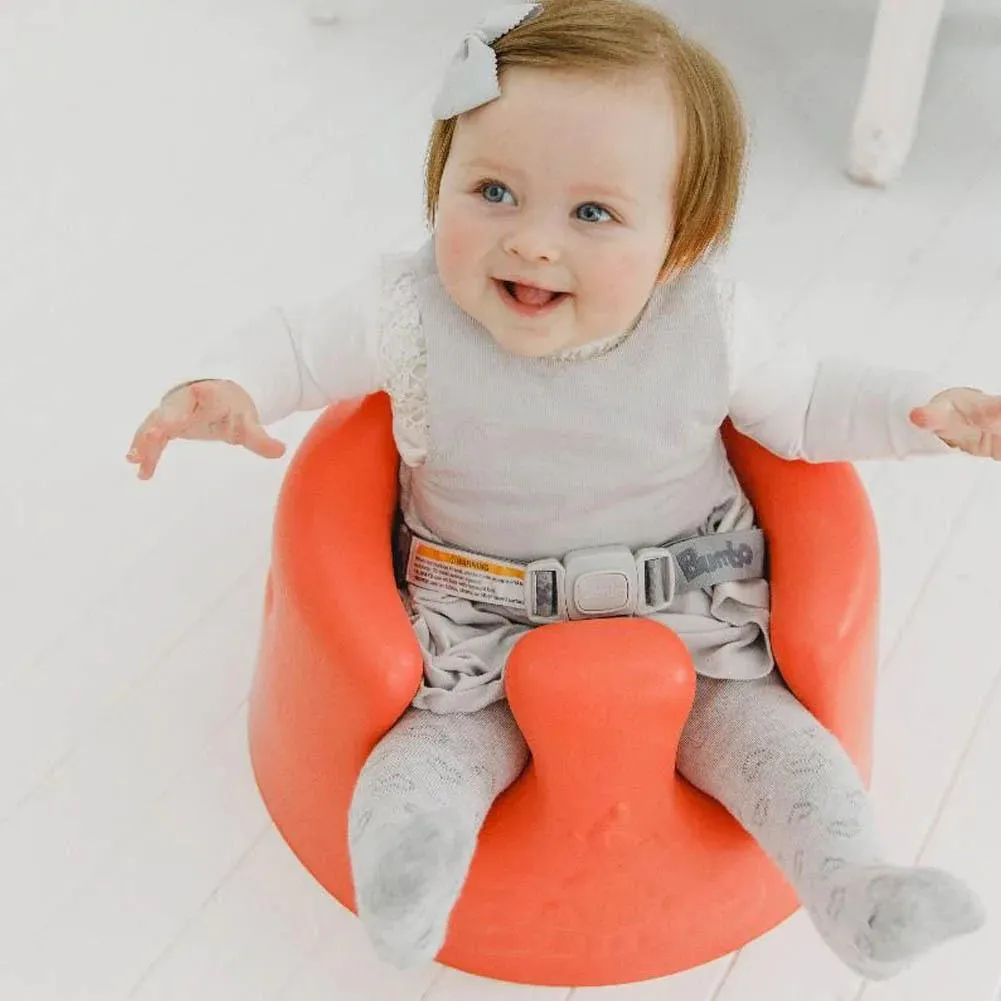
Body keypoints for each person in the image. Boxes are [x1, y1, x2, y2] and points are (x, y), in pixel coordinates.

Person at [127, 0, 996, 979]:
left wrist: (926, 410)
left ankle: (855, 886)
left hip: (693, 613)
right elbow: (292, 344)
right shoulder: (407, 314)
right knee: (427, 760)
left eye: (591, 214)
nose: (531, 242)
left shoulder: (706, 320)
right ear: (438, 183)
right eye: (492, 190)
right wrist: (226, 385)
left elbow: (804, 405)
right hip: (477, 616)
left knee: (776, 747)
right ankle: (404, 875)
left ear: (676, 243)